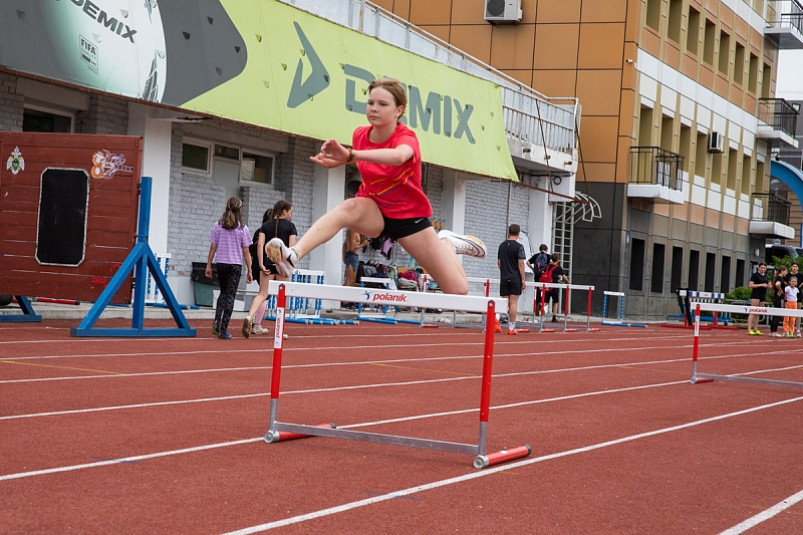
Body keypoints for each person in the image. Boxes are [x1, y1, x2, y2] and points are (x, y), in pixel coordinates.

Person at [264, 78, 485, 295]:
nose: (374, 109)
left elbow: (398, 157)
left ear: (399, 110)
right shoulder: (361, 135)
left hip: (409, 219)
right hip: (375, 209)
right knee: (347, 208)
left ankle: (447, 243)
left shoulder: (407, 138)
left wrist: (351, 155)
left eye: (382, 104)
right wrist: (344, 159)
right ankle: (294, 255)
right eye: (371, 103)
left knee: (457, 290)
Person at [242, 200, 297, 338]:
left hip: (267, 263)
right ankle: (279, 330)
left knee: (262, 294)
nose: (290, 215)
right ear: (284, 211)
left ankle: (249, 317)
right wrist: (289, 266)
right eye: (290, 212)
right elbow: (291, 249)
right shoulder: (290, 227)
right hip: (282, 265)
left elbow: (260, 245)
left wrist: (260, 263)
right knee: (282, 297)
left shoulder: (265, 226)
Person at [206, 197, 252, 339]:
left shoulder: (218, 225)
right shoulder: (242, 228)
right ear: (239, 209)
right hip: (235, 265)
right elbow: (246, 251)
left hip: (221, 263)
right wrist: (250, 269)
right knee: (230, 295)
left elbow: (213, 246)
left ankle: (216, 320)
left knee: (223, 292)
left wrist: (208, 265)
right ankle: (223, 329)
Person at [497, 224, 526, 334]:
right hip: (515, 277)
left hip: (504, 276)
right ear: (518, 234)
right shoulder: (519, 247)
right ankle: (511, 328)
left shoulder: (502, 246)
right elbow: (521, 263)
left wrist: (504, 271)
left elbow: (499, 262)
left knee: (504, 302)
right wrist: (523, 279)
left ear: (509, 232)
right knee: (513, 303)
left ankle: (495, 319)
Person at [542, 253, 569, 323]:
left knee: (546, 301)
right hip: (554, 286)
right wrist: (567, 282)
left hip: (547, 286)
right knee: (555, 301)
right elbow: (564, 276)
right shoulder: (558, 267)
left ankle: (540, 305)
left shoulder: (547, 267)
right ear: (558, 260)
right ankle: (554, 316)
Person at [746, 262, 769, 336]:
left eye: (764, 268)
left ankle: (755, 329)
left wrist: (768, 286)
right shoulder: (755, 275)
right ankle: (749, 329)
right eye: (761, 267)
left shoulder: (765, 276)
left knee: (758, 312)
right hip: (756, 295)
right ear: (759, 268)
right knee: (752, 311)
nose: (762, 269)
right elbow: (750, 285)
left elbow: (767, 284)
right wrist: (761, 285)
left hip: (763, 295)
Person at [526, 243, 549, 315]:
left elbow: (527, 262)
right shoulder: (548, 257)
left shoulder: (536, 256)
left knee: (538, 291)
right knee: (545, 291)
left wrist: (532, 268)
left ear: (540, 249)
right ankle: (542, 306)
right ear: (546, 250)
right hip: (545, 277)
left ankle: (537, 306)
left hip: (537, 276)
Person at [768, 264, 787, 338]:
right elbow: (777, 284)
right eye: (785, 271)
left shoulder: (777, 278)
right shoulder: (780, 278)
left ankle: (772, 331)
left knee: (775, 314)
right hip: (779, 299)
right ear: (782, 271)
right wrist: (780, 290)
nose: (786, 273)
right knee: (778, 315)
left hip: (776, 298)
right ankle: (774, 331)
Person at [784, 261, 801, 337]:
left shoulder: (800, 276)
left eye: (796, 266)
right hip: (788, 300)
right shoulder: (787, 276)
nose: (794, 268)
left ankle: (795, 330)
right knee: (787, 316)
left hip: (796, 299)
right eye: (793, 266)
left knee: (795, 315)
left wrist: (800, 286)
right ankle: (786, 330)